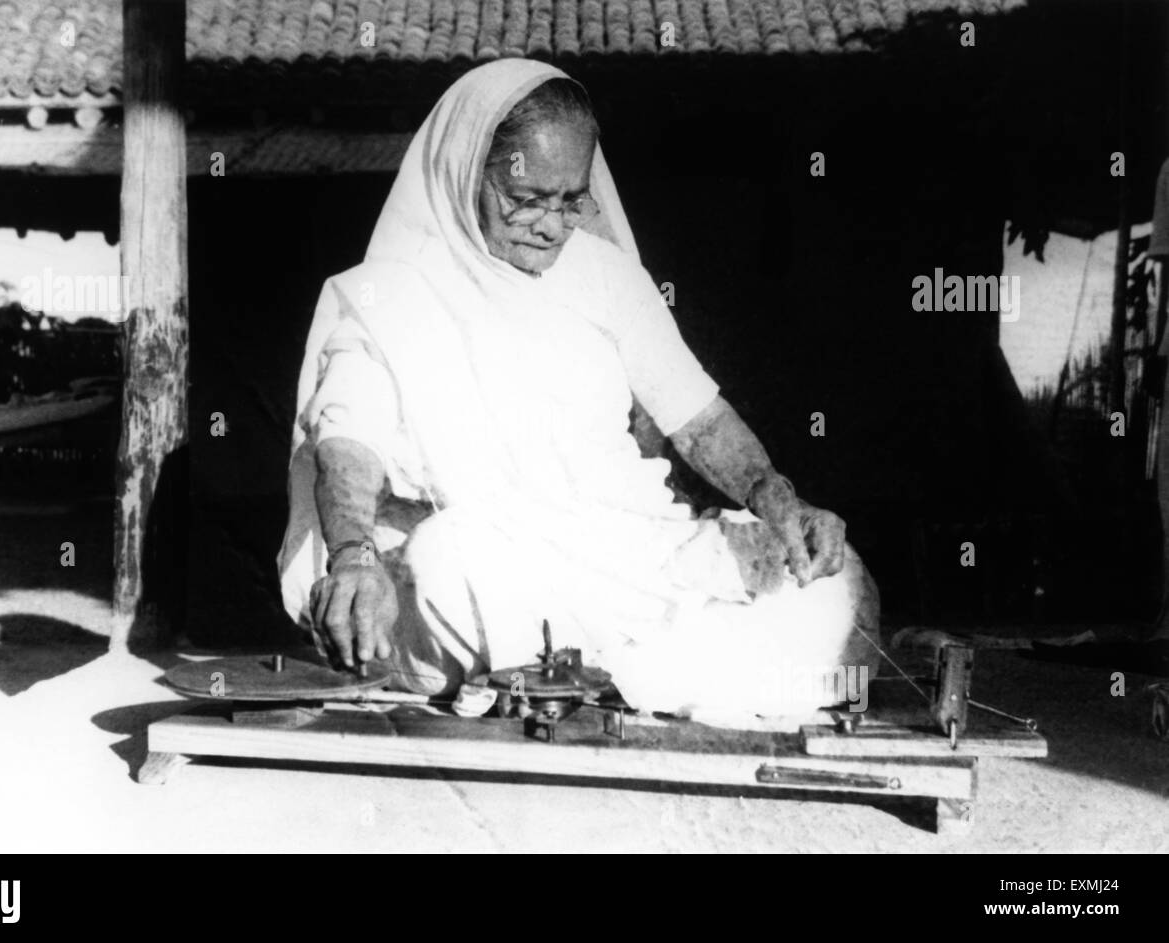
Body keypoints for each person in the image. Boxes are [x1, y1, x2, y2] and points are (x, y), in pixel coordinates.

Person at [278, 59, 879, 721]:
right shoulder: (388, 292)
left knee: (833, 579)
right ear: (464, 167)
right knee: (443, 565)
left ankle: (592, 674)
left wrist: (780, 503)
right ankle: (640, 673)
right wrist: (355, 555)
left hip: (630, 551)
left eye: (570, 200)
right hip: (491, 565)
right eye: (526, 197)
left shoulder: (606, 277)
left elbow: (700, 422)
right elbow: (346, 440)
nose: (552, 225)